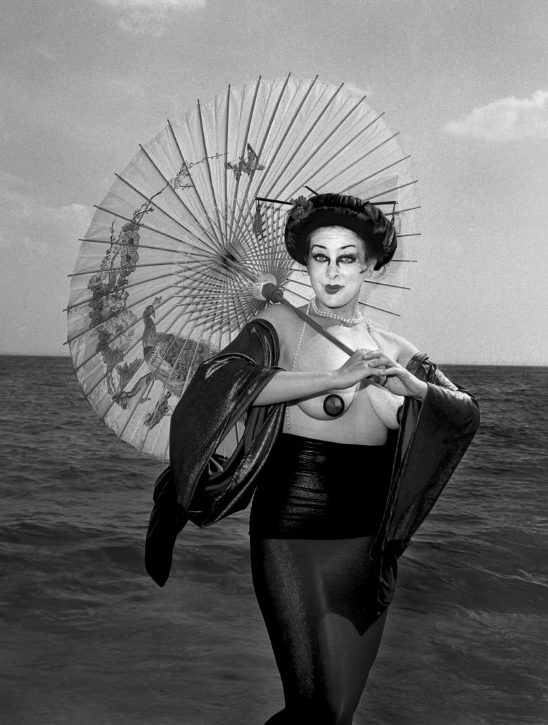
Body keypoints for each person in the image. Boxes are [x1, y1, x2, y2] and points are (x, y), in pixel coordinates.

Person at [144, 193, 480, 725]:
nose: (332, 271)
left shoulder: (395, 348)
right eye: (320, 257)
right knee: (314, 709)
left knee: (338, 714)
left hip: (367, 545)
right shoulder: (278, 325)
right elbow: (221, 383)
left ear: (371, 264)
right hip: (291, 535)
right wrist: (335, 378)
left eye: (347, 257)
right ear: (304, 261)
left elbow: (462, 414)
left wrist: (414, 388)